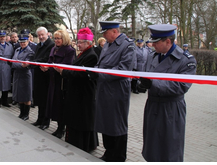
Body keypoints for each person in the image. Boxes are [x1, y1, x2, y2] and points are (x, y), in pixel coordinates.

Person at [139, 24, 196, 162]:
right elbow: (146, 73)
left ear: (168, 41)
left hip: (170, 110)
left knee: (169, 149)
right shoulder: (153, 56)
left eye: (156, 42)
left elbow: (181, 86)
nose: (152, 45)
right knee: (152, 147)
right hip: (153, 106)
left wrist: (153, 83)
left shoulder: (186, 60)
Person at [90, 21, 135, 162]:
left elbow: (123, 70)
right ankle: (109, 152)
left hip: (117, 91)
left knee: (117, 124)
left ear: (114, 31)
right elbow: (101, 63)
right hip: (104, 89)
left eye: (105, 32)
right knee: (105, 122)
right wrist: (94, 70)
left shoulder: (128, 46)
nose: (103, 35)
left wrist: (100, 74)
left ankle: (119, 156)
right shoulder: (108, 44)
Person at [55, 27, 99, 153]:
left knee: (83, 120)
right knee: (77, 118)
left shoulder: (91, 56)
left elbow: (82, 74)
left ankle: (84, 144)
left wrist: (64, 72)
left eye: (80, 42)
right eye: (78, 42)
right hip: (77, 92)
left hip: (84, 93)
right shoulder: (83, 53)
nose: (78, 44)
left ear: (88, 43)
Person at [41, 30, 75, 139]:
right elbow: (50, 62)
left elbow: (67, 66)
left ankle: (62, 128)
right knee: (54, 105)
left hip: (62, 82)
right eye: (55, 38)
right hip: (53, 81)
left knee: (61, 105)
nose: (56, 40)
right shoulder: (53, 49)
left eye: (58, 38)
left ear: (64, 38)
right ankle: (58, 127)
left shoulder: (70, 50)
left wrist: (52, 67)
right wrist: (46, 67)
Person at [28, 27, 55, 130]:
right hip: (38, 74)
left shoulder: (51, 45)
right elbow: (36, 57)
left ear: (47, 33)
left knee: (45, 100)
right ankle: (39, 119)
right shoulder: (39, 45)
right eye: (39, 35)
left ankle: (45, 121)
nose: (41, 37)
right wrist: (31, 62)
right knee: (39, 99)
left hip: (46, 76)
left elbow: (46, 59)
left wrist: (32, 63)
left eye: (42, 34)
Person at [11, 34, 35, 120]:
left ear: (28, 41)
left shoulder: (30, 52)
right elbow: (15, 62)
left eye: (24, 42)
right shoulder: (17, 50)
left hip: (25, 75)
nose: (22, 44)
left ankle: (26, 115)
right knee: (19, 94)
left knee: (26, 95)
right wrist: (18, 64)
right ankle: (21, 113)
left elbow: (25, 65)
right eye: (21, 42)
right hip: (17, 75)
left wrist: (15, 64)